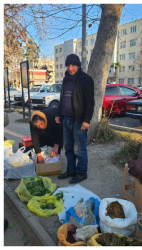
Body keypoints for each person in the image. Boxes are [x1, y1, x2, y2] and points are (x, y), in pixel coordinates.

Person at [56, 54, 94, 184]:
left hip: (79, 121)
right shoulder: (66, 79)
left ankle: (81, 172)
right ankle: (71, 170)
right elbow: (62, 99)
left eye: (72, 65)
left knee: (79, 148)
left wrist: (87, 120)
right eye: (68, 65)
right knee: (68, 148)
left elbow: (90, 102)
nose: (70, 68)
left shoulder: (86, 79)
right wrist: (58, 114)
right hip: (66, 119)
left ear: (78, 65)